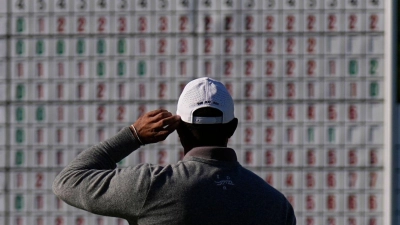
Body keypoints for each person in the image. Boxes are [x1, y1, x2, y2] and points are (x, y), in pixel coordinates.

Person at [53, 77, 296, 225]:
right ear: (232, 127)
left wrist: (133, 135)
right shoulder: (275, 204)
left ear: (178, 129)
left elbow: (69, 181)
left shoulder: (152, 186)